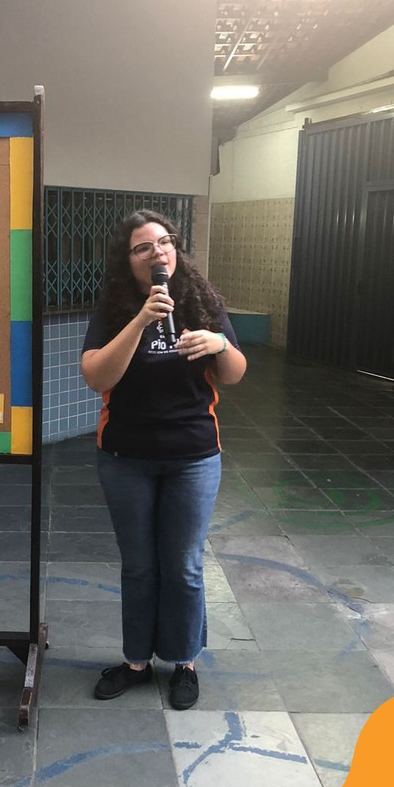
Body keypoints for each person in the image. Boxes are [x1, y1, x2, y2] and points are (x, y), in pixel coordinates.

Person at [81, 210, 247, 709]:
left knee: (183, 566)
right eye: (144, 246)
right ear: (128, 259)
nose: (158, 252)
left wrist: (219, 342)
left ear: (176, 249)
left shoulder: (201, 302)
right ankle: (136, 661)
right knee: (139, 566)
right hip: (125, 457)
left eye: (165, 242)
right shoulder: (114, 308)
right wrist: (141, 320)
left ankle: (184, 661)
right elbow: (97, 377)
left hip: (193, 456)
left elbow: (234, 374)